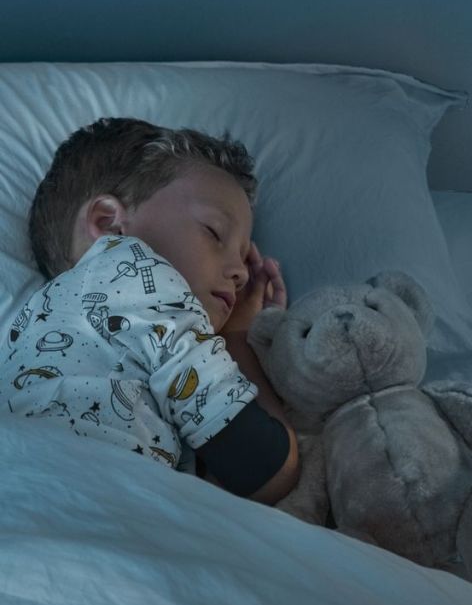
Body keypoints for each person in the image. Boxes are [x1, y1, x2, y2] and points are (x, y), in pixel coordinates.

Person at [1, 117, 299, 505]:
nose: (241, 273)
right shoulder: (139, 272)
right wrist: (237, 338)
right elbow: (267, 469)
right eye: (214, 232)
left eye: (244, 256)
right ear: (110, 226)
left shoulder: (21, 329)